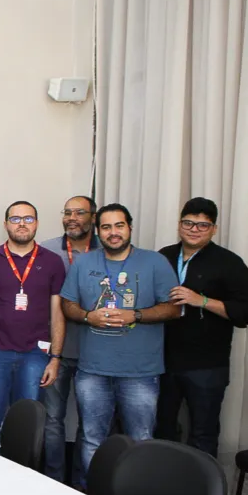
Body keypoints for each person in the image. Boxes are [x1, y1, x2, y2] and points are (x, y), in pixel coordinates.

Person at [60, 203, 180, 473]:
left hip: (140, 372)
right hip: (92, 369)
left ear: (130, 227)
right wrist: (88, 316)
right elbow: (68, 305)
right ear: (97, 230)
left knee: (141, 441)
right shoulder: (84, 262)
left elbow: (173, 309)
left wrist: (134, 315)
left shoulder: (155, 262)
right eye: (106, 227)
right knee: (92, 439)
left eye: (119, 226)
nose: (113, 232)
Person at [157, 198, 248, 456]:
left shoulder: (229, 262)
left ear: (214, 229)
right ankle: (159, 489)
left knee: (203, 434)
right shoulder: (163, 256)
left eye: (203, 224)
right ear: (179, 225)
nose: (194, 229)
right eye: (189, 222)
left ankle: (201, 493)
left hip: (207, 366)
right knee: (162, 429)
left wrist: (202, 301)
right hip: (162, 361)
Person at [0, 202, 66, 453]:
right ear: (5, 225)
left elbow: (57, 313)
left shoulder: (52, 262)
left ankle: (22, 480)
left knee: (28, 423)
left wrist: (55, 358)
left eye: (28, 219)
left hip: (35, 355)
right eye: (15, 219)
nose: (22, 224)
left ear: (36, 223)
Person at [39, 196, 98, 482]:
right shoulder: (46, 251)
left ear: (93, 217)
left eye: (80, 212)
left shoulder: (107, 251)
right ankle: (54, 481)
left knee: (92, 425)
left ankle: (84, 487)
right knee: (52, 420)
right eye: (67, 212)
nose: (72, 217)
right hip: (54, 351)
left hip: (96, 352)